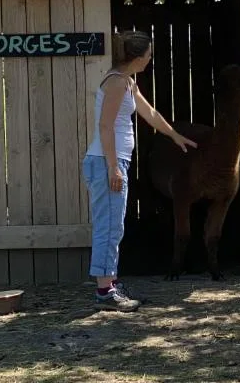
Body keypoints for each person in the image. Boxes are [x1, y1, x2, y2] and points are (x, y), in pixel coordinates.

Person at [82, 30, 197, 312]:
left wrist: (174, 135)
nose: (150, 58)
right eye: (148, 54)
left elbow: (151, 114)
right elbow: (105, 126)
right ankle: (104, 292)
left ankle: (109, 284)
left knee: (115, 225)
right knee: (109, 226)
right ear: (137, 56)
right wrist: (112, 167)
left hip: (114, 161)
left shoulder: (127, 82)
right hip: (106, 162)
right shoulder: (116, 84)